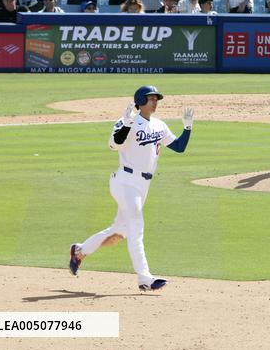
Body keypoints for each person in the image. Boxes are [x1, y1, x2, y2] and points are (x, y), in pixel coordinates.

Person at [68, 86, 194, 292]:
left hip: (143, 185)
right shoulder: (127, 121)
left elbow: (179, 147)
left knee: (121, 229)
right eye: (151, 98)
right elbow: (114, 145)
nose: (155, 102)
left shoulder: (159, 125)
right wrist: (126, 124)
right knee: (137, 226)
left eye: (156, 99)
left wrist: (187, 128)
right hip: (125, 181)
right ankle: (144, 278)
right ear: (140, 100)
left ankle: (79, 251)